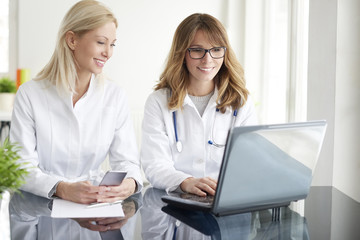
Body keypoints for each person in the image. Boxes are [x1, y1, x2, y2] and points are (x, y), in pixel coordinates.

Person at [10, 0, 142, 204]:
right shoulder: (30, 94)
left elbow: (126, 161)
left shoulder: (115, 95)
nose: (108, 53)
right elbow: (21, 167)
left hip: (94, 207)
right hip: (42, 205)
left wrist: (130, 182)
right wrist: (62, 189)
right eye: (101, 42)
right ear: (72, 40)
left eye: (112, 44)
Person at [141, 13, 258, 197]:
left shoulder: (240, 102)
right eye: (197, 50)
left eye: (216, 49)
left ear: (224, 52)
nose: (208, 60)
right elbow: (154, 165)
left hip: (225, 200)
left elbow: (250, 163)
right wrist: (186, 182)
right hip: (176, 203)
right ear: (182, 53)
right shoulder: (158, 102)